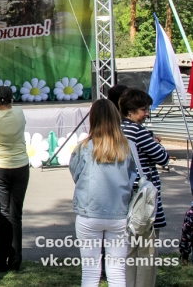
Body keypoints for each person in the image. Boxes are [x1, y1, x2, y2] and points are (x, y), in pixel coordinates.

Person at [69, 99, 138, 287]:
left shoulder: (83, 147)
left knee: (90, 272)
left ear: (93, 119)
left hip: (89, 212)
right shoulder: (128, 146)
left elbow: (76, 175)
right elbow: (132, 178)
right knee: (117, 271)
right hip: (119, 213)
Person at [119, 88, 169, 287]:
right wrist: (156, 143)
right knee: (146, 253)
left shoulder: (118, 129)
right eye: (143, 109)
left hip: (125, 197)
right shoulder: (138, 131)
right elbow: (163, 158)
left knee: (129, 252)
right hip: (144, 200)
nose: (147, 113)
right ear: (130, 111)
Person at [0, 85, 29, 272]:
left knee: (2, 215)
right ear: (12, 100)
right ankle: (16, 260)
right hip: (20, 166)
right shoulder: (19, 113)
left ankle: (0, 260)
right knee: (16, 215)